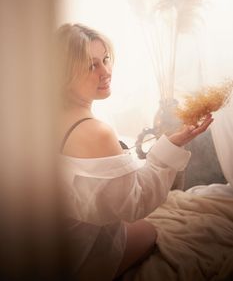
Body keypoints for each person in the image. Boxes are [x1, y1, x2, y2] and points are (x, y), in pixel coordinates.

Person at [56, 23, 213, 280]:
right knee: (149, 231)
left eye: (105, 59)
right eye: (91, 65)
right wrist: (173, 145)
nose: (106, 71)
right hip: (75, 259)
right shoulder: (95, 132)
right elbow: (135, 204)